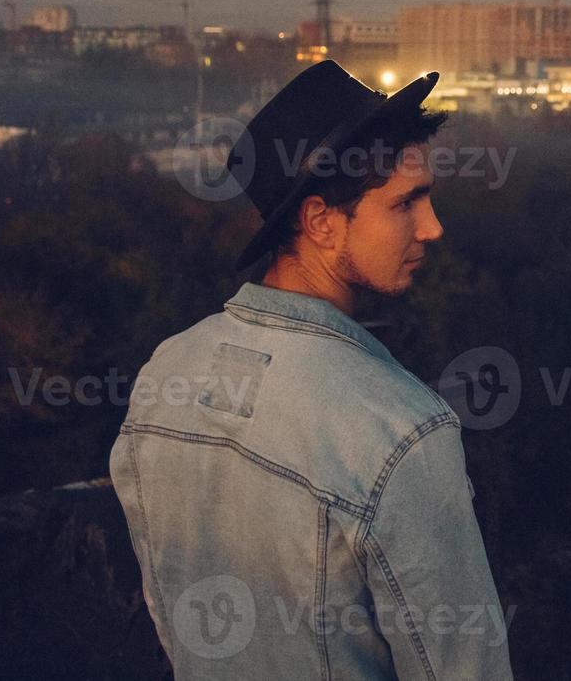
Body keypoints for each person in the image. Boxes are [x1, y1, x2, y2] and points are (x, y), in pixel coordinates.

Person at [110, 60, 514, 679]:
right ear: (322, 221)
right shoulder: (402, 432)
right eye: (407, 203)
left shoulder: (166, 374)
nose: (433, 228)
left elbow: (173, 625)